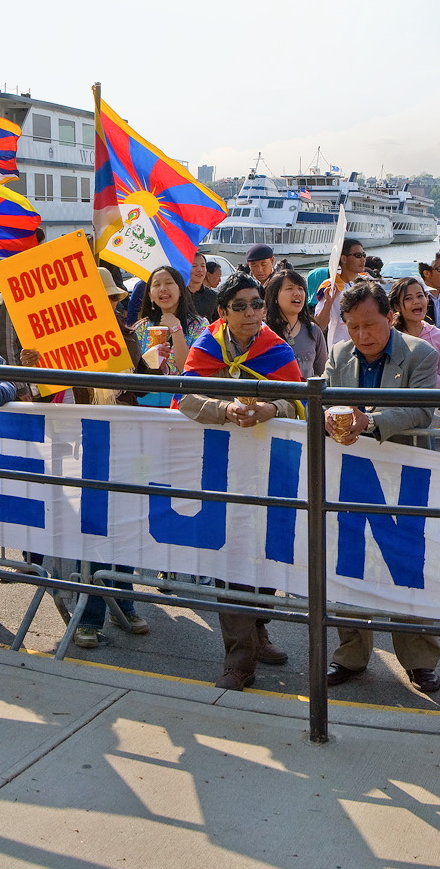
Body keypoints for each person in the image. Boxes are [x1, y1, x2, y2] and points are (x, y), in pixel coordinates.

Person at [316, 280, 440, 694]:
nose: (361, 336)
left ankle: (419, 661)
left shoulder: (420, 353)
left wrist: (369, 422)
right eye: (352, 327)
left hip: (406, 476)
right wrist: (325, 416)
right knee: (349, 561)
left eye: (369, 326)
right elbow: (321, 399)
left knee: (408, 564)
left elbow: (422, 410)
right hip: (353, 478)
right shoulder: (337, 355)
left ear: (390, 318)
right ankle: (350, 654)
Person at [174, 273, 302, 690]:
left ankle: (258, 629)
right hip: (218, 469)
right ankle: (239, 661)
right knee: (230, 559)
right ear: (223, 312)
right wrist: (224, 409)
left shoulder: (277, 351)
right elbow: (186, 397)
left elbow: (301, 400)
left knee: (266, 554)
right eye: (240, 306)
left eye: (257, 305)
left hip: (270, 470)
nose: (251, 313)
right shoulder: (205, 347)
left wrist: (271, 408)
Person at [389, 275, 440, 388]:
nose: (416, 302)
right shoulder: (390, 336)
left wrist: (422, 376)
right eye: (408, 298)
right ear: (397, 306)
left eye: (420, 296)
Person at [268, 268, 323, 379]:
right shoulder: (265, 332)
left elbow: (322, 372)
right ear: (275, 297)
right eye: (289, 288)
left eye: (301, 289)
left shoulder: (313, 331)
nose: (297, 293)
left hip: (307, 395)